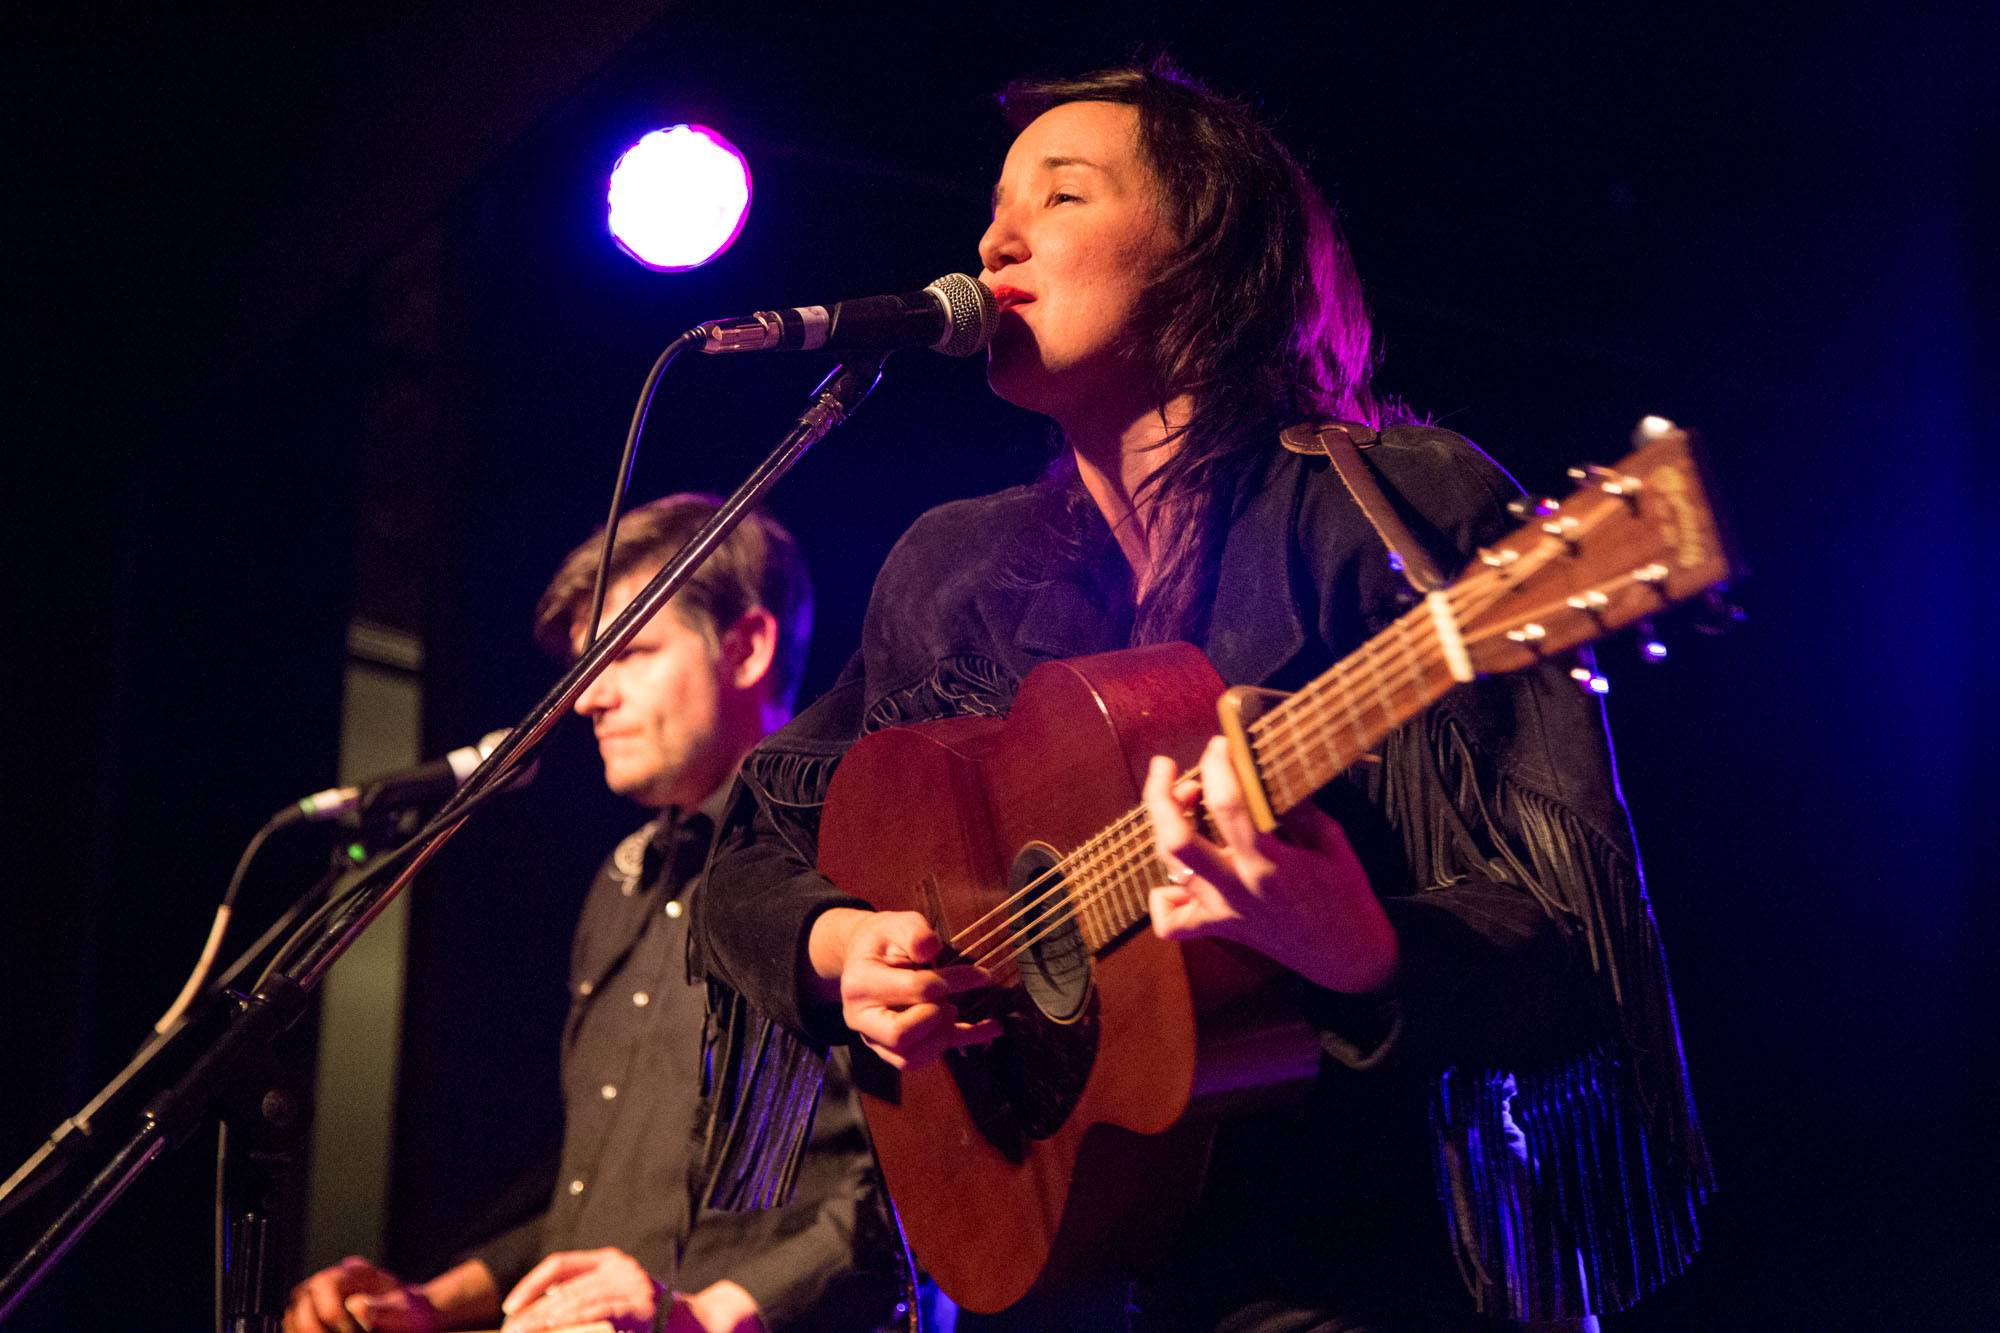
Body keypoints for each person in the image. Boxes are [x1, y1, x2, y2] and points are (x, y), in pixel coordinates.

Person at [693, 60, 1712, 1331]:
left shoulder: (1386, 510)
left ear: (1206, 254)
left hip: (1347, 1274)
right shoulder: (951, 571)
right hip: (1033, 1260)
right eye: (994, 205)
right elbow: (751, 843)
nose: (993, 240)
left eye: (1059, 197)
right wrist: (837, 949)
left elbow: (1568, 939)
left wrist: (1359, 944)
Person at [287, 496, 902, 1333]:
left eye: (631, 653)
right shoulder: (620, 886)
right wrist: (431, 1300)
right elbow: (598, 1203)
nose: (587, 699)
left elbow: (919, 1191)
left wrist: (706, 1316)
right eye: (588, 665)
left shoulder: (857, 858)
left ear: (748, 646)